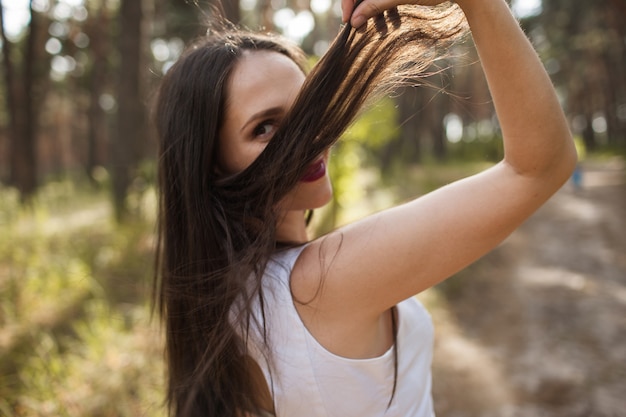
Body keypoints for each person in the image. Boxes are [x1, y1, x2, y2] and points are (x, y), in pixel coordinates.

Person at [152, 0, 577, 416]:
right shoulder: (319, 283)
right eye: (265, 127)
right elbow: (538, 167)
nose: (308, 139)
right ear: (211, 164)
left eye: (306, 110)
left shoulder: (227, 298)